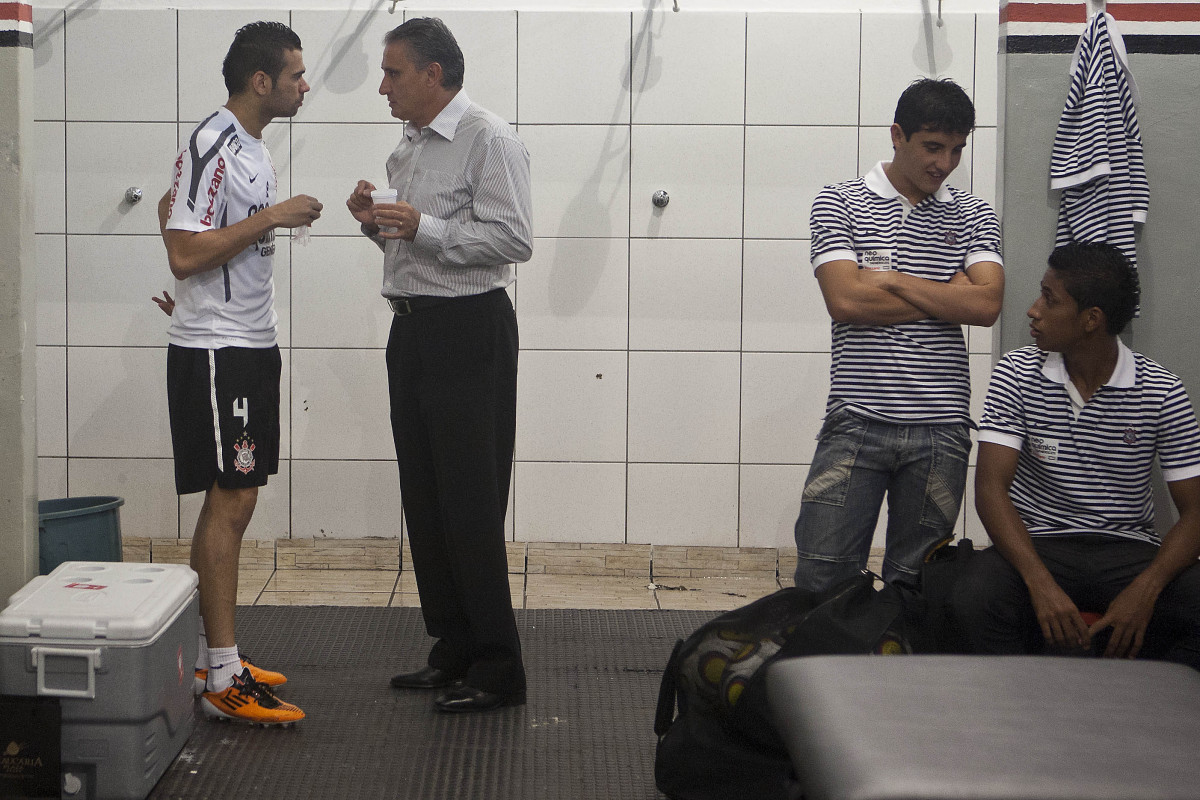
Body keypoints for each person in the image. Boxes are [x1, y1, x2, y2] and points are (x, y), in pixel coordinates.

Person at [345, 17, 532, 713]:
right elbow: (417, 250)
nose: (384, 86)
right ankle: (451, 647)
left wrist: (422, 226)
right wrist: (378, 224)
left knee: (469, 501)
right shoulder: (411, 146)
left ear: (434, 74)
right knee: (425, 497)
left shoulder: (490, 137)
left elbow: (514, 238)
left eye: (393, 73)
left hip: (468, 332)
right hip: (414, 329)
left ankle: (498, 665)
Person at [157, 20, 322, 725]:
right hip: (220, 348)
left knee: (234, 496)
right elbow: (185, 250)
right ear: (262, 81)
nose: (303, 85)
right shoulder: (214, 142)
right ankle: (223, 676)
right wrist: (275, 218)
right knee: (234, 498)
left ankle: (211, 656)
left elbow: (177, 217)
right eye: (295, 76)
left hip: (248, 343)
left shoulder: (250, 148)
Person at [793, 78, 1005, 592]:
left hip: (942, 427)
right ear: (897, 135)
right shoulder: (839, 202)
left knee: (919, 586)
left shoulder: (973, 214)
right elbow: (845, 301)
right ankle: (821, 675)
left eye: (957, 150)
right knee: (823, 576)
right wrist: (945, 293)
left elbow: (987, 304)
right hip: (856, 417)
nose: (945, 163)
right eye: (933, 147)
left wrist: (891, 280)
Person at [953, 243, 1200, 668]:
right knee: (969, 595)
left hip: (1126, 547)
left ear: (1091, 320)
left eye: (1049, 299)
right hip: (1038, 543)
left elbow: (1196, 510)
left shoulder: (1161, 389)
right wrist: (1040, 584)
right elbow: (991, 490)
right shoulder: (1016, 374)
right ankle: (1013, 706)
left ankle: (1157, 712)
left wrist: (1146, 589)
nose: (1033, 310)